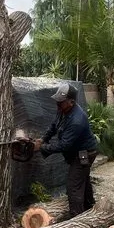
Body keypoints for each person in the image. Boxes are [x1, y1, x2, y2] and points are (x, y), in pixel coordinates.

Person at [34, 83, 98, 217]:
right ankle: (90, 209)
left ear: (71, 102)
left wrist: (42, 147)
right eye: (57, 102)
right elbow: (53, 126)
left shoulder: (77, 120)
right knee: (82, 180)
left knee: (73, 187)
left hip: (84, 154)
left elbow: (64, 145)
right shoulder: (63, 109)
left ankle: (77, 220)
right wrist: (43, 139)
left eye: (60, 102)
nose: (57, 105)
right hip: (77, 151)